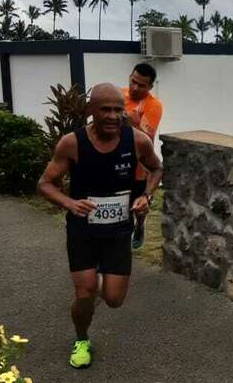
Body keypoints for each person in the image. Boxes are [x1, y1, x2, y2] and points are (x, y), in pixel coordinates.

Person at [37, 83, 163, 369]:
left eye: (118, 110)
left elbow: (156, 168)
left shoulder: (137, 140)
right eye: (104, 109)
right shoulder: (72, 143)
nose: (111, 115)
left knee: (115, 300)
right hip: (82, 229)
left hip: (118, 229)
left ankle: (104, 277)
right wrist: (69, 203)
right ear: (90, 110)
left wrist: (147, 195)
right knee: (85, 292)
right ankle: (81, 338)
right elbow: (44, 184)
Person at [121, 63, 163, 250]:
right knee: (122, 209)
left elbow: (146, 139)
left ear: (150, 87)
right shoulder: (118, 95)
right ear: (130, 76)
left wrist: (133, 124)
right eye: (133, 82)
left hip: (139, 167)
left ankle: (140, 226)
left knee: (138, 206)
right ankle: (119, 245)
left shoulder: (153, 105)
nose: (135, 88)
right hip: (117, 161)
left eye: (142, 85)